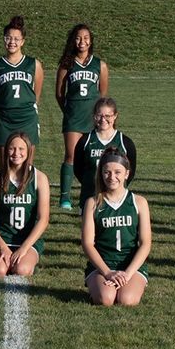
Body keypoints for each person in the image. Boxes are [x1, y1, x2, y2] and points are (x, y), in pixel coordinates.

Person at [83, 150, 152, 307]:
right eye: (107, 172)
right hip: (102, 264)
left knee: (126, 300)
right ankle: (98, 285)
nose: (112, 177)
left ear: (127, 174)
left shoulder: (139, 202)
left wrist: (127, 274)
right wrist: (107, 272)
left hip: (131, 265)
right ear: (101, 173)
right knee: (105, 299)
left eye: (117, 172)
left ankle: (131, 284)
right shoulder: (93, 203)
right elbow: (87, 244)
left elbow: (145, 243)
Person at [54, 24, 108, 210]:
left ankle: (94, 194)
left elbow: (102, 94)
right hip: (73, 117)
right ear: (73, 41)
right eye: (78, 38)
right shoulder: (66, 65)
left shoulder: (100, 65)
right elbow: (59, 94)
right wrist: (69, 111)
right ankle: (65, 198)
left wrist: (98, 115)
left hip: (94, 118)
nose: (82, 41)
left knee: (94, 156)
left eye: (85, 38)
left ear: (90, 41)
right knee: (71, 155)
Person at [0, 131, 50, 278]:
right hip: (2, 238)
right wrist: (2, 247)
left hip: (27, 241)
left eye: (21, 149)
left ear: (29, 151)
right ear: (6, 150)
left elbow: (43, 219)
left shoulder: (40, 178)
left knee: (21, 270)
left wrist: (24, 248)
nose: (16, 153)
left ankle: (28, 261)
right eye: (12, 148)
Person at [0, 16, 42, 173]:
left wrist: (27, 106)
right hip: (4, 119)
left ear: (23, 41)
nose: (12, 42)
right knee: (5, 168)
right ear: (4, 39)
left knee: (26, 168)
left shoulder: (33, 64)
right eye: (8, 38)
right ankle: (4, 190)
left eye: (16, 39)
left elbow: (36, 94)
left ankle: (25, 190)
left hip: (27, 118)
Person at [71, 98, 137, 207]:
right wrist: (91, 183)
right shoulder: (85, 141)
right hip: (89, 195)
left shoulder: (125, 142)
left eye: (108, 116)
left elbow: (131, 171)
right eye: (99, 115)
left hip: (115, 199)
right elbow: (78, 169)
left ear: (115, 116)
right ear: (94, 116)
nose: (103, 119)